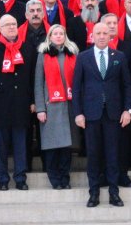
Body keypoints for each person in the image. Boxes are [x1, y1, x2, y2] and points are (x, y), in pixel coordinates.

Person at [73, 22, 131, 207]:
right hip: (91, 114)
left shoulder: (119, 56)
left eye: (105, 33)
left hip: (113, 114)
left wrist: (127, 109)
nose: (101, 36)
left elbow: (127, 85)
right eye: (98, 33)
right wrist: (78, 113)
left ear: (110, 36)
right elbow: (76, 88)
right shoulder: (83, 57)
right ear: (92, 35)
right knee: (93, 154)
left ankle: (114, 192)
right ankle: (94, 193)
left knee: (113, 154)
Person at [0, 14, 35, 191]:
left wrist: (33, 101)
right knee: (0, 146)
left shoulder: (28, 48)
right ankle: (3, 179)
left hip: (22, 102)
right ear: (0, 28)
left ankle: (20, 178)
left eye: (14, 24)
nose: (12, 27)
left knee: (21, 144)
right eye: (7, 25)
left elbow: (32, 77)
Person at [34, 24, 79, 190]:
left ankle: (65, 178)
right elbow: (38, 84)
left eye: (61, 33)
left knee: (67, 146)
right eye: (55, 33)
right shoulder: (43, 55)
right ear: (50, 36)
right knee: (52, 145)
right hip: (51, 106)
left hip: (69, 105)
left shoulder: (73, 54)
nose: (59, 36)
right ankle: (55, 179)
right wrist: (40, 108)